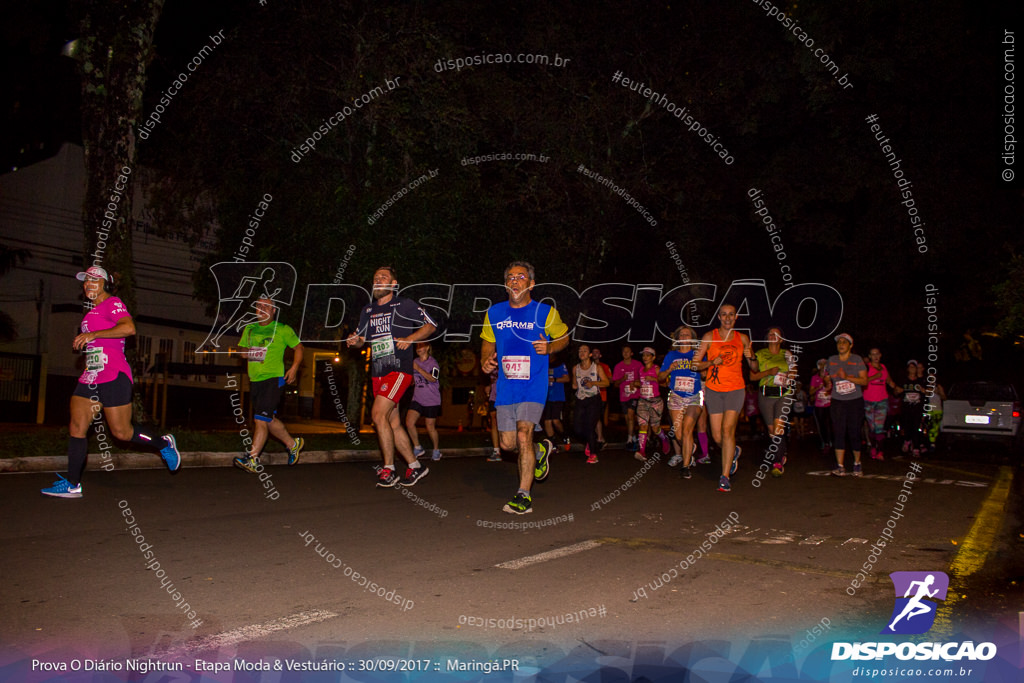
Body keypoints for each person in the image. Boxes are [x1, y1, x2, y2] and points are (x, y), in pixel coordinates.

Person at [42, 267, 181, 498]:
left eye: (94, 280)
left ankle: (163, 444)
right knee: (76, 427)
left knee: (122, 433)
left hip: (114, 375)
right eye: (86, 280)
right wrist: (89, 347)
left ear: (105, 284)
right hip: (91, 375)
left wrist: (93, 335)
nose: (88, 284)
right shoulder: (91, 313)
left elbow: (129, 328)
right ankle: (72, 484)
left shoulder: (113, 303)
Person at [480, 261, 569, 514]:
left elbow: (564, 337)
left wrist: (550, 347)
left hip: (533, 383)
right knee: (508, 445)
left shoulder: (545, 312)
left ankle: (523, 495)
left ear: (531, 283)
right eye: (510, 277)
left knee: (523, 434)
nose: (515, 280)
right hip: (506, 386)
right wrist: (485, 361)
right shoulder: (495, 313)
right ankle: (541, 450)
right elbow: (488, 343)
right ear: (506, 284)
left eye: (520, 277)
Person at [347, 266, 437, 487]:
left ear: (393, 284)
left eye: (383, 277)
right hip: (378, 371)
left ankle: (389, 469)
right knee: (392, 422)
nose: (378, 280)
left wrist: (411, 338)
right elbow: (361, 340)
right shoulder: (367, 311)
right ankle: (416, 466)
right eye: (376, 277)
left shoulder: (404, 305)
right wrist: (354, 340)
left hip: (398, 370)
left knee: (377, 415)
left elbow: (431, 324)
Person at [232, 297, 305, 472]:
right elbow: (242, 350)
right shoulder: (249, 329)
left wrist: (294, 368)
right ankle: (292, 443)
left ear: (273, 311)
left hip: (274, 379)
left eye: (267, 306)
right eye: (259, 306)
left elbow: (299, 348)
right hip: (255, 380)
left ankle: (252, 459)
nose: (262, 308)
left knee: (259, 419)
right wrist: (244, 352)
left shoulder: (282, 329)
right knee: (267, 419)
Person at [693, 303, 756, 493]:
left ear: (736, 317)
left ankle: (724, 477)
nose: (728, 318)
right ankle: (733, 451)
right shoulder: (709, 337)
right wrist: (711, 362)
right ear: (719, 317)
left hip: (735, 389)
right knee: (717, 435)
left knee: (728, 431)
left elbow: (754, 369)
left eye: (731, 315)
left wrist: (751, 355)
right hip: (713, 390)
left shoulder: (743, 338)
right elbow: (695, 365)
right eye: (724, 315)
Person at [749, 327, 796, 477]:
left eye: (776, 334)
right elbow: (753, 377)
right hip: (766, 395)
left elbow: (794, 370)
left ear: (781, 339)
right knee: (772, 431)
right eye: (770, 333)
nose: (772, 335)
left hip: (784, 394)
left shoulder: (786, 354)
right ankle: (781, 452)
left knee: (778, 429)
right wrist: (768, 373)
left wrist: (790, 375)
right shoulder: (760, 354)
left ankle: (777, 462)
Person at [659, 327, 703, 477]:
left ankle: (685, 466)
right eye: (681, 334)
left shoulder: (697, 354)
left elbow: (705, 374)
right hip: (676, 396)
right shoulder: (672, 355)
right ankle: (689, 447)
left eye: (687, 334)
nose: (684, 336)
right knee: (678, 435)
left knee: (687, 430)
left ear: (692, 338)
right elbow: (660, 377)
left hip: (694, 396)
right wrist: (669, 369)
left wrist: (701, 367)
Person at [824, 333, 868, 477]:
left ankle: (857, 463)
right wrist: (827, 382)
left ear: (850, 345)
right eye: (839, 342)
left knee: (854, 432)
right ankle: (840, 466)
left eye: (844, 342)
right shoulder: (831, 360)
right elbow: (827, 379)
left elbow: (864, 381)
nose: (841, 344)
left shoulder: (857, 360)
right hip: (838, 401)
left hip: (855, 401)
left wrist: (847, 377)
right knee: (838, 432)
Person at [572, 344, 611, 463]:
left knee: (590, 426)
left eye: (584, 351)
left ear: (589, 354)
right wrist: (574, 386)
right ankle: (590, 441)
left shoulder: (596, 367)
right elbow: (574, 384)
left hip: (594, 399)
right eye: (580, 351)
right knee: (577, 429)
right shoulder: (575, 368)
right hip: (580, 398)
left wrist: (593, 383)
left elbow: (606, 383)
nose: (581, 353)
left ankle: (593, 455)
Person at [406, 342, 442, 461]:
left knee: (430, 427)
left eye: (421, 346)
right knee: (409, 423)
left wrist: (418, 369)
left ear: (427, 348)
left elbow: (433, 378)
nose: (418, 349)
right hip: (417, 398)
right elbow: (412, 380)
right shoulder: (414, 361)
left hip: (432, 399)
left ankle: (436, 450)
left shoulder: (433, 363)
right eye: (417, 347)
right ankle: (417, 447)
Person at [864, 348, 898, 460]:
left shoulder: (883, 367)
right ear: (869, 356)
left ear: (880, 355)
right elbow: (862, 381)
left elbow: (889, 380)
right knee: (872, 426)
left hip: (882, 399)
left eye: (877, 354)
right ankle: (873, 447)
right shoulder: (866, 367)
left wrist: (896, 388)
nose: (875, 356)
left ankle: (880, 451)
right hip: (868, 400)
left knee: (879, 426)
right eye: (873, 354)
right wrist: (874, 377)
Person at [611, 345, 643, 451]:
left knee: (630, 415)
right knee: (628, 419)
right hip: (624, 396)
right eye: (623, 351)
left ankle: (629, 440)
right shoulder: (618, 366)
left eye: (627, 351)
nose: (625, 353)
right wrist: (622, 379)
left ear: (632, 353)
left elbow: (643, 380)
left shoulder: (638, 365)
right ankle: (633, 437)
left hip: (635, 395)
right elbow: (615, 384)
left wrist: (635, 384)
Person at [895, 360, 925, 456]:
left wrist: (924, 391)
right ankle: (907, 440)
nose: (912, 369)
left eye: (914, 367)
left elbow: (928, 392)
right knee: (907, 426)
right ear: (908, 369)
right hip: (906, 408)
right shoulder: (903, 380)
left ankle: (916, 447)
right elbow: (896, 392)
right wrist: (897, 391)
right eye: (910, 367)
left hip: (917, 407)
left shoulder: (920, 381)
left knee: (916, 427)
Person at [542, 353, 571, 450]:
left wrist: (553, 379)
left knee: (555, 420)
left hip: (557, 396)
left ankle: (565, 436)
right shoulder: (543, 364)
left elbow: (567, 378)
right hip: (546, 397)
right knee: (547, 421)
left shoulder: (560, 364)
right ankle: (552, 443)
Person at [809, 359, 833, 454]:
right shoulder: (815, 378)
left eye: (825, 364)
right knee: (822, 425)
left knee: (830, 424)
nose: (823, 366)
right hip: (819, 405)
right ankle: (825, 442)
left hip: (830, 404)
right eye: (821, 364)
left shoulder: (830, 376)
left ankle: (831, 441)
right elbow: (810, 392)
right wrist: (818, 387)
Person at [591, 347, 611, 448]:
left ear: (600, 355)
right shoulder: (588, 366)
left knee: (597, 417)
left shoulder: (604, 366)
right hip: (590, 395)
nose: (595, 354)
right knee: (592, 417)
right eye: (593, 352)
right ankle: (600, 438)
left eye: (597, 352)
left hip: (601, 395)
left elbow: (610, 380)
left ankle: (600, 439)